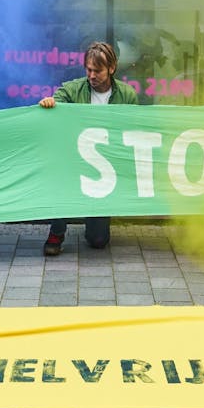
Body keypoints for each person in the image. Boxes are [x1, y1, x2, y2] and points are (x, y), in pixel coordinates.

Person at [38, 41, 139, 256]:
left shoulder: (128, 94)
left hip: (105, 167)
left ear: (111, 68)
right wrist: (50, 103)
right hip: (74, 161)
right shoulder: (72, 89)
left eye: (97, 71)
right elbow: (57, 101)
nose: (92, 75)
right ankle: (56, 232)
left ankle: (93, 224)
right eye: (88, 69)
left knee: (98, 241)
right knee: (61, 179)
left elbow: (134, 131)